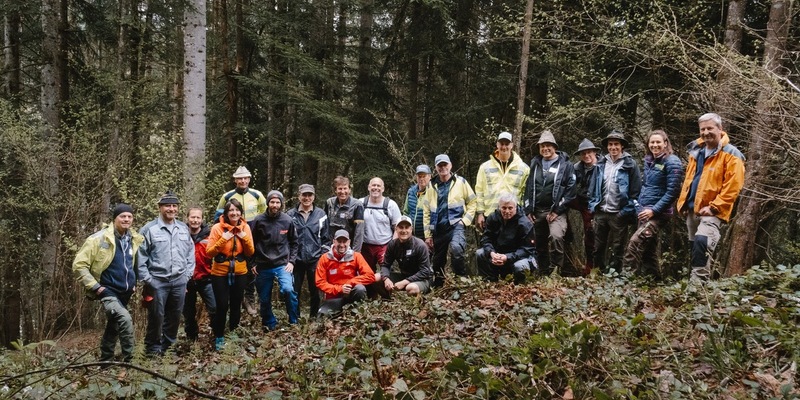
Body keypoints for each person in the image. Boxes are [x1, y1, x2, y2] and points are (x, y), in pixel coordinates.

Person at [677, 113, 745, 280]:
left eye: (710, 128)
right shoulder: (696, 151)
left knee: (703, 242)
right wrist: (684, 203)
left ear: (720, 129)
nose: (706, 132)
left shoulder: (732, 154)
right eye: (703, 129)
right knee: (694, 247)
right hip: (693, 209)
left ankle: (698, 286)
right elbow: (690, 179)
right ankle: (693, 283)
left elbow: (733, 186)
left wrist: (715, 207)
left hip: (712, 211)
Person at [72, 203, 144, 362]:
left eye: (129, 216)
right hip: (108, 290)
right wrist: (96, 287)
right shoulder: (98, 238)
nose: (126, 219)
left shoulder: (134, 239)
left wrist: (134, 284)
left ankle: (105, 360)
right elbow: (79, 265)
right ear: (114, 219)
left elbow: (134, 264)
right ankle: (131, 361)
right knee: (124, 320)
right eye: (122, 216)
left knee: (114, 325)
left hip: (125, 292)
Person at [137, 190, 195, 356]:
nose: (171, 209)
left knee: (175, 316)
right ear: (160, 208)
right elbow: (140, 258)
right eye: (167, 206)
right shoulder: (149, 229)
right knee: (157, 317)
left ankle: (168, 349)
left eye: (174, 206)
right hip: (157, 282)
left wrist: (187, 276)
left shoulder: (183, 228)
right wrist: (149, 280)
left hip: (179, 281)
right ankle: (152, 350)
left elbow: (190, 254)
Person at [622, 130, 684, 278]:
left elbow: (673, 192)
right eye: (652, 142)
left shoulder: (672, 161)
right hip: (644, 211)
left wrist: (654, 211)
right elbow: (647, 187)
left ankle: (625, 280)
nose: (655, 145)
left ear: (665, 143)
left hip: (659, 214)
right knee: (648, 252)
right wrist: (639, 207)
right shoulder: (650, 161)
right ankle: (655, 281)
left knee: (635, 243)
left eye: (658, 142)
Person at [213, 166, 266, 316]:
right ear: (235, 180)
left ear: (249, 179)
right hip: (231, 234)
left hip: (251, 234)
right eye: (239, 178)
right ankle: (234, 298)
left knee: (252, 266)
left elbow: (264, 215)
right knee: (236, 263)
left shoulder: (257, 195)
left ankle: (249, 298)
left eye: (245, 178)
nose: (242, 181)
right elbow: (218, 216)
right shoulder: (227, 196)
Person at [588, 130, 642, 273]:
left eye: (616, 144)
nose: (613, 147)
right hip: (601, 211)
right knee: (598, 246)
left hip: (619, 213)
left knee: (618, 247)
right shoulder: (600, 163)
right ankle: (597, 273)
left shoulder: (630, 164)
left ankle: (613, 275)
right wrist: (593, 206)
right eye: (610, 144)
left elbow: (635, 192)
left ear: (622, 146)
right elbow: (593, 187)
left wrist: (625, 211)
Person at [522, 130, 576, 275]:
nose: (545, 149)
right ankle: (543, 272)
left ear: (554, 147)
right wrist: (528, 210)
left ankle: (556, 271)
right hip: (537, 211)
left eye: (548, 146)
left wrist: (557, 210)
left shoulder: (565, 165)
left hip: (556, 212)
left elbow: (570, 191)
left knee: (556, 236)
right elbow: (528, 188)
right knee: (538, 243)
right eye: (542, 146)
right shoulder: (535, 163)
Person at [422, 154, 477, 287]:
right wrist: (428, 235)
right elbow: (426, 211)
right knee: (438, 262)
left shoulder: (461, 182)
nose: (443, 168)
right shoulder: (431, 185)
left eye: (445, 165)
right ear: (435, 168)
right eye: (440, 165)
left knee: (457, 249)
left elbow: (473, 202)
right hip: (438, 228)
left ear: (450, 165)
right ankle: (439, 287)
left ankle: (461, 282)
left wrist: (464, 221)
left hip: (455, 226)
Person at [206, 199, 254, 350]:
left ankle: (233, 335)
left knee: (236, 304)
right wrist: (223, 239)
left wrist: (242, 236)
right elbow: (209, 252)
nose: (234, 213)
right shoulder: (217, 228)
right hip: (219, 271)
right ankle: (219, 336)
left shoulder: (245, 227)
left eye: (237, 210)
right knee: (221, 305)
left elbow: (250, 251)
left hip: (240, 271)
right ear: (226, 213)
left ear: (241, 212)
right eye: (231, 211)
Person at [251, 190, 299, 330]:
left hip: (282, 264)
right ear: (268, 203)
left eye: (278, 202)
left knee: (288, 290)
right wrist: (252, 263)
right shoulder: (258, 220)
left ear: (281, 204)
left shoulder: (287, 220)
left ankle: (294, 321)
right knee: (264, 298)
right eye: (272, 202)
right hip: (263, 265)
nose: (275, 205)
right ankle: (269, 324)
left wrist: (292, 262)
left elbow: (294, 242)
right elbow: (251, 243)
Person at [287, 184, 329, 319]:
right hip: (295, 260)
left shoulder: (321, 214)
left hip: (315, 259)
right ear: (299, 196)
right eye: (304, 195)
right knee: (294, 290)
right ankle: (295, 318)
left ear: (314, 197)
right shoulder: (290, 215)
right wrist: (289, 258)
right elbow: (286, 239)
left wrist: (322, 256)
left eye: (309, 195)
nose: (307, 198)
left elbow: (326, 238)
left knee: (315, 290)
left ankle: (314, 317)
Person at [474, 131, 530, 230]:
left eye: (507, 144)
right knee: (490, 244)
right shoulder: (484, 167)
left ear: (511, 145)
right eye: (501, 144)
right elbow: (479, 191)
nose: (504, 147)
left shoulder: (523, 168)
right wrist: (480, 213)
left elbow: (526, 193)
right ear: (497, 145)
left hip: (514, 215)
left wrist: (525, 213)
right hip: (491, 214)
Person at [477, 193, 537, 283]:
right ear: (499, 207)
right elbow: (486, 239)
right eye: (504, 208)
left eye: (510, 208)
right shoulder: (492, 218)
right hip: (498, 255)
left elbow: (528, 249)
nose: (507, 211)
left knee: (520, 266)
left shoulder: (525, 223)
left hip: (518, 257)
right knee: (480, 253)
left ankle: (520, 287)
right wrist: (491, 253)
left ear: (515, 207)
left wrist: (507, 257)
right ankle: (489, 283)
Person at [315, 230, 375, 317]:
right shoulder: (325, 258)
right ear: (334, 242)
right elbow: (320, 282)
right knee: (321, 317)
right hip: (333, 298)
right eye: (339, 241)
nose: (342, 245)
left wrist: (350, 282)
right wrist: (340, 289)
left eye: (345, 241)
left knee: (360, 289)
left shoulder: (356, 256)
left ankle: (355, 314)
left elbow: (370, 276)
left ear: (349, 242)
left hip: (350, 296)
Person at [182, 207, 216, 342]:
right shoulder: (180, 234)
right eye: (192, 217)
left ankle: (217, 335)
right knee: (188, 313)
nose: (195, 220)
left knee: (214, 308)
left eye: (198, 218)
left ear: (202, 219)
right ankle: (192, 339)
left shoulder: (210, 235)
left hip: (206, 278)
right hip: (186, 280)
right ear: (187, 218)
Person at [567, 138, 601, 275]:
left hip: (599, 204)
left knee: (593, 235)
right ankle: (587, 266)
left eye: (589, 153)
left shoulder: (603, 165)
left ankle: (596, 266)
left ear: (594, 153)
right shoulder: (577, 168)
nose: (586, 156)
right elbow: (570, 186)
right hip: (583, 202)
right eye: (583, 153)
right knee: (562, 203)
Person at [379, 216, 434, 295]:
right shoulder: (393, 244)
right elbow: (385, 265)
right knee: (376, 278)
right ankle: (387, 299)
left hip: (423, 279)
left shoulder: (420, 245)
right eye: (401, 227)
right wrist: (386, 278)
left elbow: (425, 271)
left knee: (411, 288)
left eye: (406, 227)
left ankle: (417, 303)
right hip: (404, 276)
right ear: (396, 229)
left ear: (411, 229)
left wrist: (404, 282)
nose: (404, 231)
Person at [361, 177, 402, 279]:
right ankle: (370, 295)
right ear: (369, 187)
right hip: (365, 246)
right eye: (373, 185)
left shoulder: (391, 205)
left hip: (384, 245)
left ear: (383, 189)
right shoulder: (361, 203)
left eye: (378, 186)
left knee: (386, 272)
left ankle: (387, 294)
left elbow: (398, 226)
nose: (376, 188)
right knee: (367, 273)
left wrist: (392, 245)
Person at [324, 176, 366, 252]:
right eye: (340, 188)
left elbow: (359, 232)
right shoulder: (329, 203)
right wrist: (325, 248)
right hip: (331, 247)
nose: (343, 192)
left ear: (349, 190)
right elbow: (325, 227)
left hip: (348, 248)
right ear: (335, 190)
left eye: (345, 188)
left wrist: (355, 253)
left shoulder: (357, 205)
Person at [403, 165, 432, 240]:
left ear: (429, 177)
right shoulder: (411, 192)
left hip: (427, 237)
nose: (421, 179)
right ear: (416, 177)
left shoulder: (433, 192)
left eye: (424, 176)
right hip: (411, 236)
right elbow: (406, 212)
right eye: (419, 176)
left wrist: (430, 236)